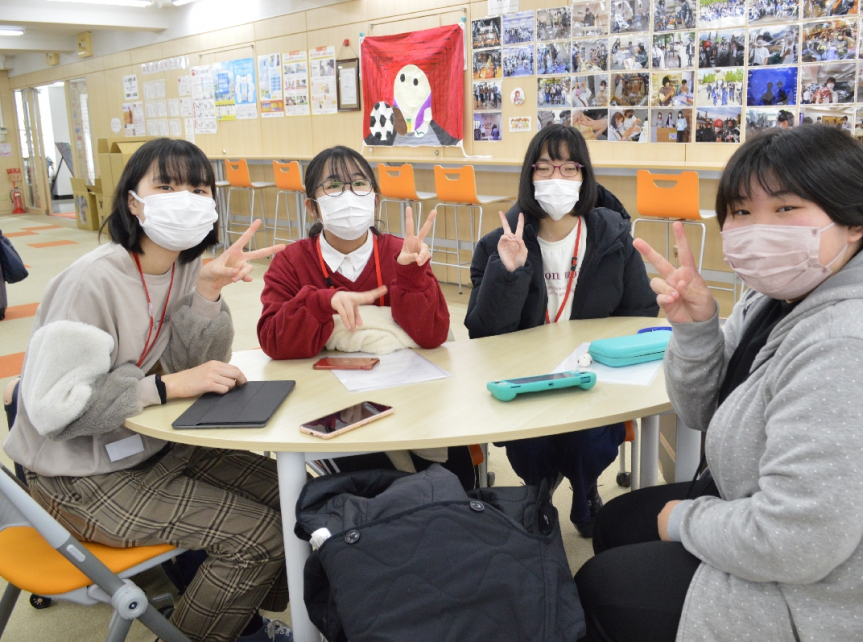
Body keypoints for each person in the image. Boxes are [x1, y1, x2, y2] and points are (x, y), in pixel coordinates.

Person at [576, 124, 863, 642]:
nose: (759, 229)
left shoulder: (862, 344)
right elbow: (700, 413)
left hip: (837, 594)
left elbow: (795, 544)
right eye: (741, 211)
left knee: (602, 584)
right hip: (771, 512)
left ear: (855, 220)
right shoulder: (778, 296)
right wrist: (696, 329)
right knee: (617, 522)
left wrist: (686, 520)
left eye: (785, 208)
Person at [2, 138, 295, 642]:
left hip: (153, 445)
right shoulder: (90, 281)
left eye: (198, 189)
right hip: (78, 477)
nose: (186, 199)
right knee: (258, 538)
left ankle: (238, 618)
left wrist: (207, 295)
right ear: (134, 203)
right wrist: (159, 386)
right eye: (167, 186)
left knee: (296, 497)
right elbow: (54, 411)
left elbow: (199, 368)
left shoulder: (186, 269)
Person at [464, 125, 659, 537]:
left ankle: (584, 489)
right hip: (527, 380)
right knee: (531, 445)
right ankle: (538, 492)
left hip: (595, 376)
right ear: (529, 175)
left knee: (590, 438)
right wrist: (508, 274)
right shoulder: (498, 243)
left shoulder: (614, 239)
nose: (558, 178)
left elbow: (640, 316)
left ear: (585, 176)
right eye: (546, 167)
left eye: (570, 168)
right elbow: (483, 336)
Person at [257, 145, 476, 489]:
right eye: (333, 186)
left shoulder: (401, 252)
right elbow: (273, 340)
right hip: (330, 404)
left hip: (409, 394)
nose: (349, 195)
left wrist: (411, 277)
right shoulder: (291, 261)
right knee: (379, 485)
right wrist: (321, 302)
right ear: (312, 207)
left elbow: (433, 336)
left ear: (375, 200)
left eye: (359, 184)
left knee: (459, 478)